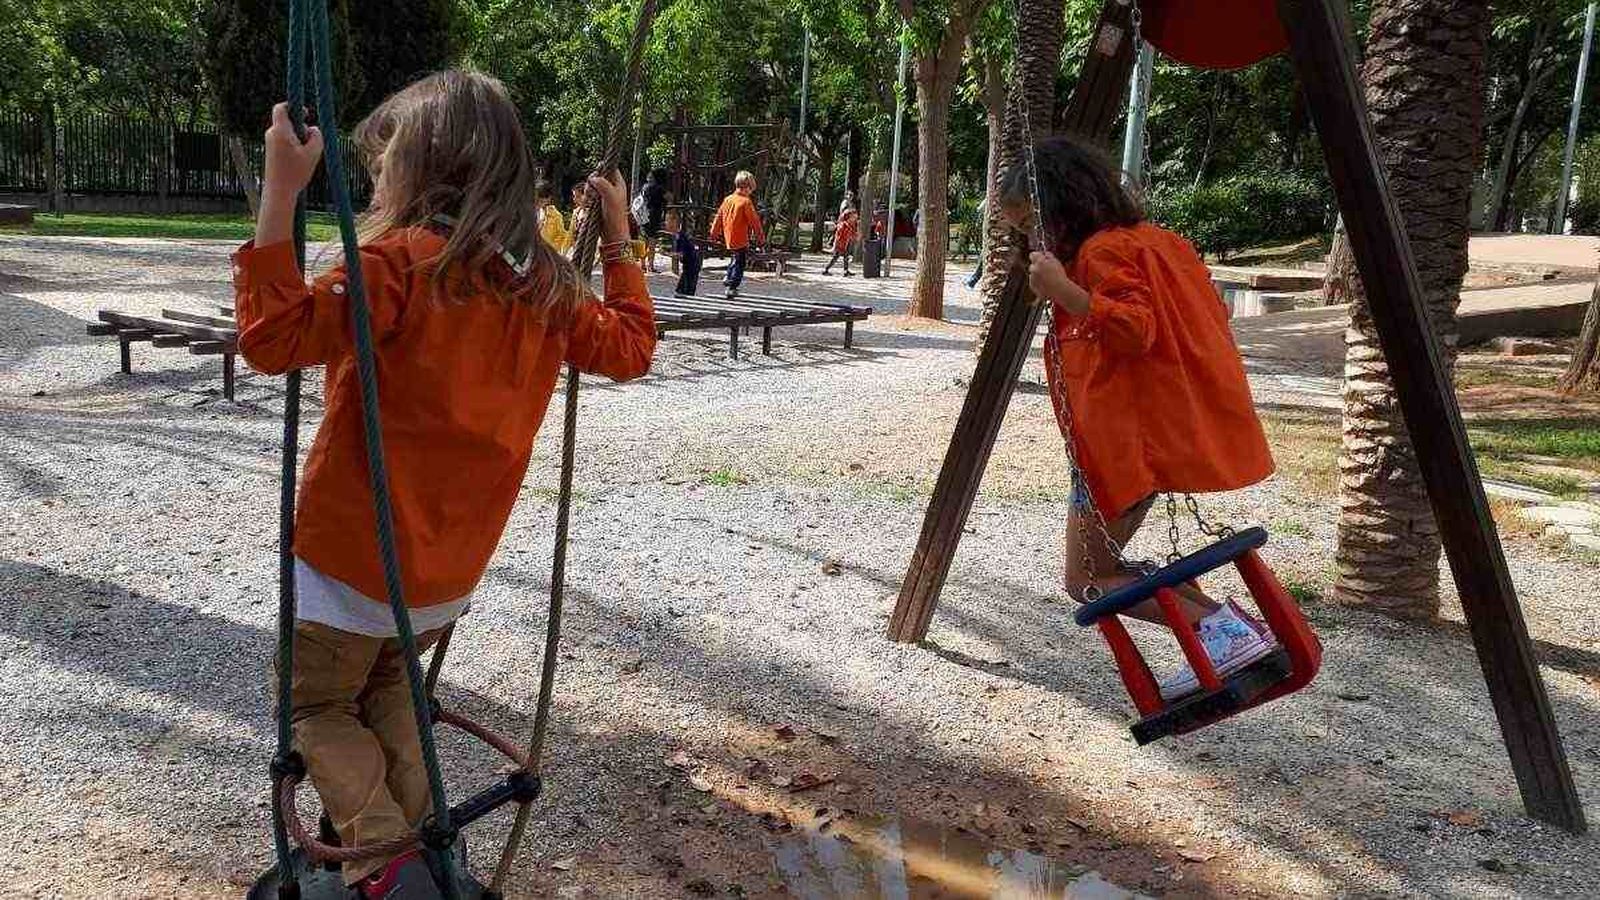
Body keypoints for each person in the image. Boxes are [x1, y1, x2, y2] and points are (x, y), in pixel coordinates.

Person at [232, 71, 656, 899]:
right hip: (441, 582)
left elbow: (272, 336)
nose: (380, 178)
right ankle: (427, 851)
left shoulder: (396, 266)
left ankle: (385, 856)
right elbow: (633, 348)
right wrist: (619, 240)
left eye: (387, 160)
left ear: (421, 169)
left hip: (347, 563)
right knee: (391, 688)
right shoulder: (543, 288)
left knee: (315, 708)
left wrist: (281, 191)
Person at [998, 135, 1276, 702]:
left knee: (1088, 578)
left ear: (1063, 204)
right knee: (1111, 566)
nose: (1031, 238)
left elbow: (1134, 329)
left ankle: (1223, 632)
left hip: (1127, 448)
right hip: (1154, 437)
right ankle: (1227, 631)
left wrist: (1065, 291)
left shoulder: (1101, 253)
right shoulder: (1160, 242)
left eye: (1033, 224)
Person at [708, 170, 765, 298]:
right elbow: (755, 222)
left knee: (735, 259)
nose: (751, 192)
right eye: (751, 189)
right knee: (740, 263)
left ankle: (728, 276)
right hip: (740, 238)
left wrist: (713, 235)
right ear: (748, 188)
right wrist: (761, 240)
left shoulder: (727, 199)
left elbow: (718, 218)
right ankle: (732, 286)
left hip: (729, 237)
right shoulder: (746, 202)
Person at [669, 207, 702, 296]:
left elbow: (681, 254)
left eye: (670, 222)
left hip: (693, 261)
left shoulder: (680, 237)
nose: (667, 224)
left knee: (689, 279)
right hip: (689, 262)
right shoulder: (677, 236)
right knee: (686, 278)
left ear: (676, 224)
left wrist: (669, 254)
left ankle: (685, 293)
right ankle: (683, 292)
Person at [641, 168, 668, 273]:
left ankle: (642, 264)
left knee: (644, 240)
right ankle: (650, 265)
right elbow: (669, 198)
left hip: (644, 215)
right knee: (652, 241)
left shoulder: (644, 187)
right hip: (654, 216)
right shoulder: (659, 188)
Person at [822, 208, 858, 277]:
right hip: (841, 244)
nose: (855, 219)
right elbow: (839, 236)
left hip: (844, 244)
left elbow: (851, 234)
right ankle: (826, 269)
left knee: (845, 257)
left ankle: (845, 271)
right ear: (849, 217)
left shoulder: (849, 225)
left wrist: (854, 236)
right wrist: (838, 244)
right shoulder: (843, 225)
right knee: (836, 257)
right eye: (853, 217)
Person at [536, 180, 569, 252]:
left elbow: (561, 236)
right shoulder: (527, 212)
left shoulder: (555, 215)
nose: (538, 204)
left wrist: (550, 250)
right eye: (536, 200)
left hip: (546, 254)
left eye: (542, 201)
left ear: (548, 199)